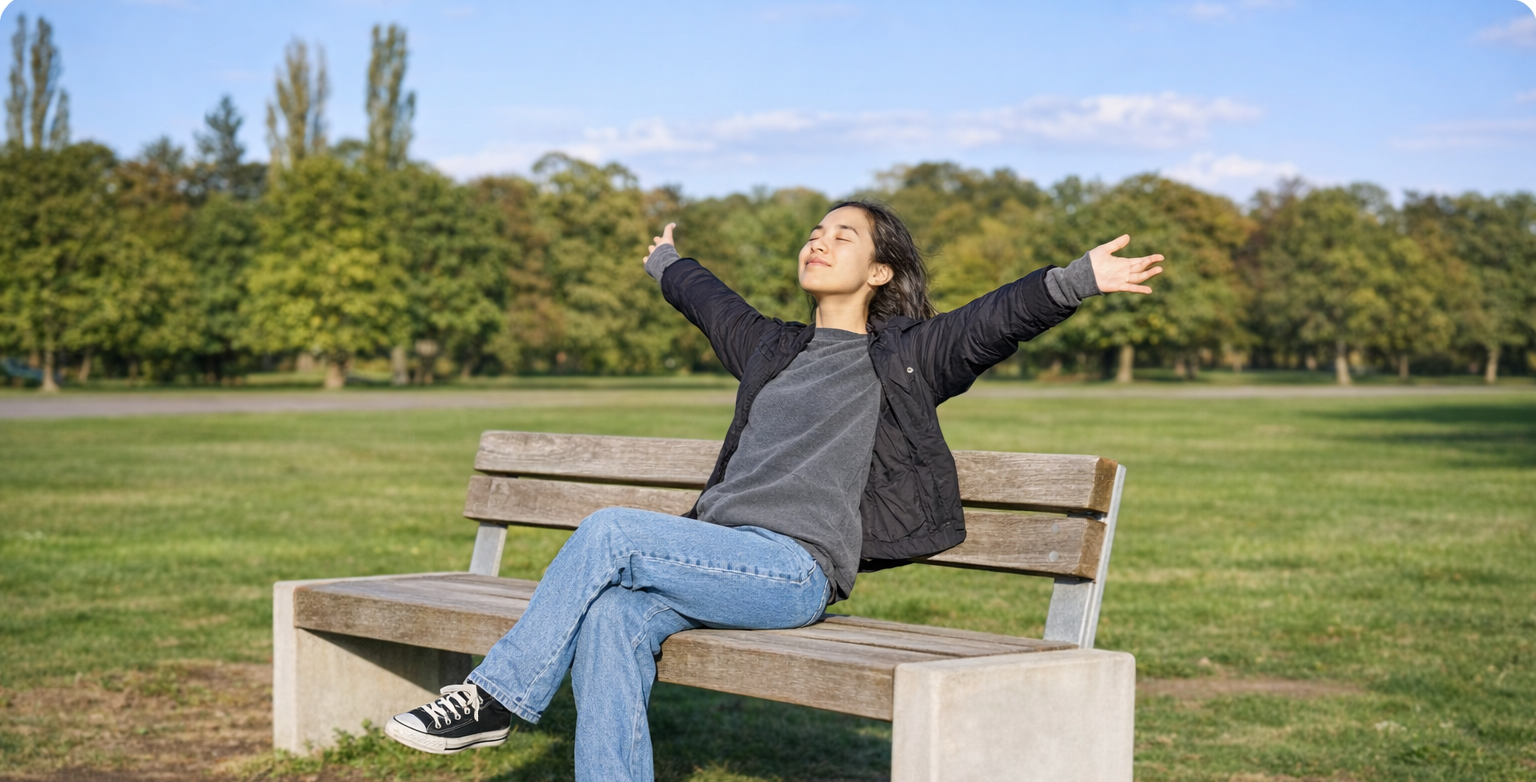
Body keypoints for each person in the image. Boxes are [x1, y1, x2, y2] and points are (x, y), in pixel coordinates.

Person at [382, 200, 1165, 781]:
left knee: (614, 531)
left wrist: (1078, 280)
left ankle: (496, 698)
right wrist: (665, 264)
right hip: (715, 557)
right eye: (815, 232)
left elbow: (995, 320)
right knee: (615, 618)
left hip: (791, 571)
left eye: (843, 235)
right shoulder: (772, 348)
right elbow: (708, 302)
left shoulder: (909, 357)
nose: (819, 241)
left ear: (881, 270)